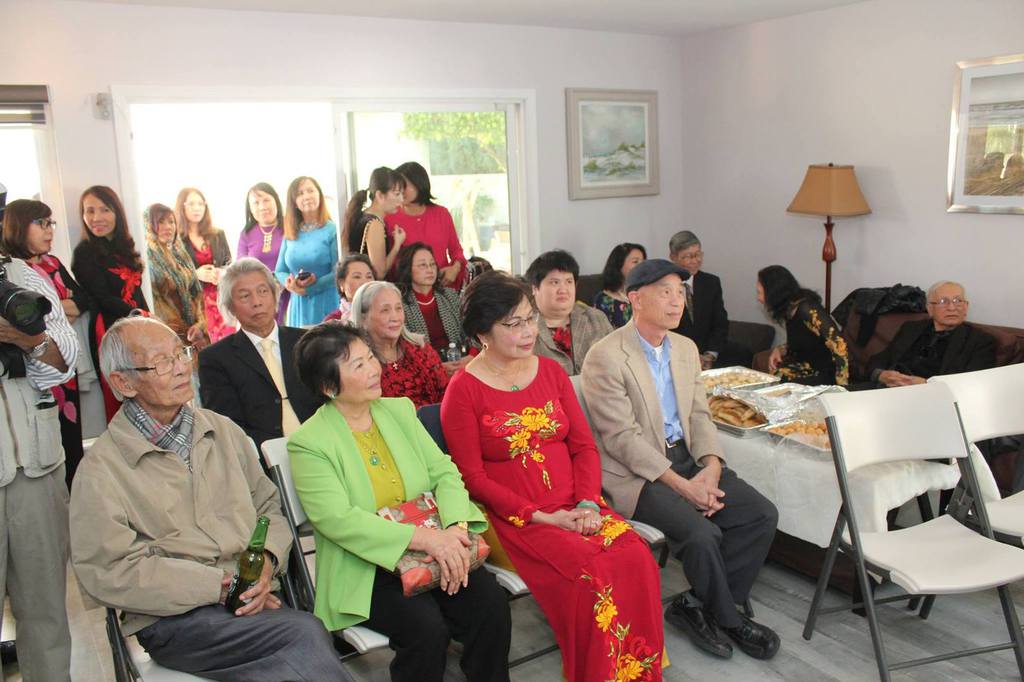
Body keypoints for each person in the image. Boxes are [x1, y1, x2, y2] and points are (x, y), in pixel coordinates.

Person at [69, 316, 351, 681]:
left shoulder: (223, 431)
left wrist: (266, 561)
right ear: (123, 383)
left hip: (252, 596)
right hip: (175, 618)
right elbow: (107, 571)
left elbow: (269, 508)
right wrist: (217, 586)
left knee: (290, 655)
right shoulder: (102, 468)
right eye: (162, 362)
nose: (181, 368)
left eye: (181, 354)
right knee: (303, 633)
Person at [441, 271, 665, 682]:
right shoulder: (463, 390)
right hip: (517, 519)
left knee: (636, 558)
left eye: (530, 318)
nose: (528, 331)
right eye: (513, 324)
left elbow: (583, 447)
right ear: (482, 333)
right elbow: (471, 478)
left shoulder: (550, 372)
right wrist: (542, 517)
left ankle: (637, 673)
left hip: (579, 504)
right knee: (591, 574)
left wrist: (587, 502)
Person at [288, 322, 511, 682]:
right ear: (329, 387)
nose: (374, 368)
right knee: (426, 629)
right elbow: (337, 519)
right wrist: (428, 540)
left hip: (438, 543)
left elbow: (444, 472)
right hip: (367, 565)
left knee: (490, 605)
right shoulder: (309, 443)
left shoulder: (399, 411)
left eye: (370, 357)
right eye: (358, 365)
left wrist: (455, 529)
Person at [581, 259, 780, 662]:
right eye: (665, 293)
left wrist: (712, 467)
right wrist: (683, 486)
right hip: (638, 474)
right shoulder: (606, 356)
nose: (676, 302)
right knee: (703, 535)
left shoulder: (685, 349)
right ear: (636, 299)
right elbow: (622, 439)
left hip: (688, 458)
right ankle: (730, 618)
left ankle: (694, 606)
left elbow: (699, 415)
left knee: (760, 514)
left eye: (680, 293)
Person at [0, 249, 78, 682]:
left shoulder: (22, 276)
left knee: (46, 612)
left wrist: (26, 338)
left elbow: (65, 363)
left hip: (37, 466)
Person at [2, 198, 91, 488]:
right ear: (17, 226)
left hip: (58, 366)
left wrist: (35, 325)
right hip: (31, 382)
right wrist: (56, 312)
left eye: (50, 222)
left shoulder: (47, 266)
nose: (49, 229)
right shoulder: (17, 272)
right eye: (40, 223)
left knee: (69, 444)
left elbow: (84, 301)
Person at [199, 258, 319, 450]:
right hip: (260, 457)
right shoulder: (215, 359)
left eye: (263, 291)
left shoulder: (306, 342)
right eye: (244, 296)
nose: (256, 302)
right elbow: (228, 425)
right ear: (230, 306)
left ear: (275, 295)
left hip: (320, 445)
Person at [71, 185, 149, 421]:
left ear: (117, 212)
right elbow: (103, 297)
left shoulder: (124, 247)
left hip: (137, 325)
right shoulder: (84, 253)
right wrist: (139, 315)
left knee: (148, 389)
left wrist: (149, 320)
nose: (96, 218)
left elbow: (136, 290)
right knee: (123, 394)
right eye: (89, 211)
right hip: (109, 330)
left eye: (104, 210)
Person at [864, 281, 996, 387]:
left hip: (933, 397)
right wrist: (880, 375)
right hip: (889, 389)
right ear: (930, 309)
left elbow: (972, 384)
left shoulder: (981, 341)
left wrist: (926, 384)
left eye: (958, 301)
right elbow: (881, 359)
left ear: (966, 307)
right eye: (943, 302)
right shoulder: (911, 328)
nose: (952, 308)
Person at [349, 281, 448, 408]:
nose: (395, 317)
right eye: (385, 310)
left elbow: (446, 396)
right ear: (363, 318)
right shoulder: (358, 364)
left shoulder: (421, 349)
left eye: (398, 308)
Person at [526, 249, 613, 376]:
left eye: (569, 282)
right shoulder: (524, 325)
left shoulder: (596, 318)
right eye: (554, 282)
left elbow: (616, 361)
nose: (563, 290)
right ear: (535, 288)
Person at [758, 265, 849, 386]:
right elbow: (803, 341)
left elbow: (839, 343)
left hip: (825, 371)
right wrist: (780, 349)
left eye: (760, 293)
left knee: (782, 385)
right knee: (772, 378)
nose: (759, 298)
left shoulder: (807, 309)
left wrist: (842, 387)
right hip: (806, 367)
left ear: (774, 293)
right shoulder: (789, 310)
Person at [386, 161, 467, 288]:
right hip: (406, 290)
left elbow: (456, 251)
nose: (401, 191)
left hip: (442, 288)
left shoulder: (441, 213)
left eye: (404, 185)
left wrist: (454, 269)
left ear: (419, 183)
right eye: (397, 187)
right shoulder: (389, 217)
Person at [394, 242, 468, 375]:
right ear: (408, 269)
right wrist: (435, 367)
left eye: (432, 264)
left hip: (460, 363)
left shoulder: (450, 295)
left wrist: (470, 356)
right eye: (423, 265)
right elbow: (402, 351)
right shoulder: (399, 305)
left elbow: (470, 332)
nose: (430, 269)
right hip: (423, 372)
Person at [275, 176, 340, 326]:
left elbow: (338, 271)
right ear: (294, 202)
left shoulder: (332, 230)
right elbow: (279, 270)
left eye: (310, 191)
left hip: (326, 300)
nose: (307, 196)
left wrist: (309, 289)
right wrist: (290, 284)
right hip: (298, 302)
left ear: (319, 195)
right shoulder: (290, 232)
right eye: (300, 193)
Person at [144, 203, 207, 347]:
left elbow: (196, 292)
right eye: (161, 222)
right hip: (169, 334)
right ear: (149, 226)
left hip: (196, 332)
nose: (168, 227)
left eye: (171, 222)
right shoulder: (148, 259)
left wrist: (200, 324)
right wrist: (184, 332)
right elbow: (157, 303)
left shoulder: (180, 253)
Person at [177, 187, 235, 342]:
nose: (197, 208)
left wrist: (221, 273)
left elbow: (228, 263)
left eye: (200, 204)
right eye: (191, 204)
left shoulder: (218, 234)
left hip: (221, 298)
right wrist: (196, 274)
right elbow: (174, 274)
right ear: (182, 207)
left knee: (228, 344)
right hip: (196, 303)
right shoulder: (177, 240)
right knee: (205, 345)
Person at [668, 231, 729, 370]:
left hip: (707, 353)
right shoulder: (662, 286)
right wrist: (690, 357)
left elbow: (720, 323)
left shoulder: (711, 282)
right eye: (688, 256)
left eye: (698, 254)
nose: (695, 261)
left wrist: (710, 354)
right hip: (676, 355)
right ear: (673, 257)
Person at [237, 183, 289, 324]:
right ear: (250, 208)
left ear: (276, 201)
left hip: (290, 293)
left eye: (266, 200)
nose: (262, 207)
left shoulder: (290, 225)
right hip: (258, 299)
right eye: (256, 203)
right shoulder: (246, 233)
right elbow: (241, 269)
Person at [341, 166, 406, 278]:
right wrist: (397, 245)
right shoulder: (375, 223)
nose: (401, 200)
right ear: (380, 195)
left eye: (402, 194)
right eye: (397, 194)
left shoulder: (361, 215)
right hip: (369, 287)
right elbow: (379, 273)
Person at [594, 242, 646, 328]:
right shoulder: (604, 300)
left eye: (643, 262)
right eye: (635, 261)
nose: (641, 266)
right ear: (619, 264)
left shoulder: (647, 292)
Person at [324, 253, 374, 322]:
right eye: (357, 277)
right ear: (341, 284)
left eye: (369, 276)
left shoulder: (383, 314)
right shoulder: (333, 321)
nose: (365, 282)